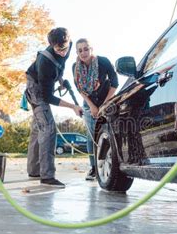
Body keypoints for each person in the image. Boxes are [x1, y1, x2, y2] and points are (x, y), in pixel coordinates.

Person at [25, 27, 83, 188]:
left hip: (46, 81)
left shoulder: (68, 45)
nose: (63, 52)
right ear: (51, 45)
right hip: (36, 88)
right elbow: (47, 97)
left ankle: (34, 170)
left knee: (38, 127)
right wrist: (72, 106)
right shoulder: (45, 63)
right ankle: (47, 176)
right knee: (48, 128)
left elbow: (61, 64)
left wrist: (60, 80)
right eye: (58, 49)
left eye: (64, 48)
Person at [72, 38, 118, 180]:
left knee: (109, 133)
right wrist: (91, 106)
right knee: (91, 136)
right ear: (77, 52)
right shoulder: (75, 66)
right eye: (80, 50)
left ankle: (113, 165)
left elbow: (114, 83)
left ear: (91, 49)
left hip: (107, 100)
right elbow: (79, 88)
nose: (83, 53)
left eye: (86, 49)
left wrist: (105, 104)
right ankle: (93, 168)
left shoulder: (103, 61)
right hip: (89, 103)